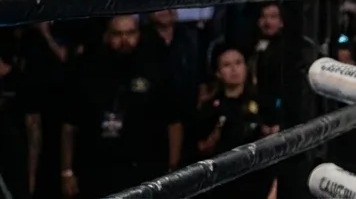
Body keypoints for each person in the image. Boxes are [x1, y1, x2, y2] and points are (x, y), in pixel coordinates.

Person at [62, 15, 182, 197]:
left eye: (130, 33)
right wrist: (67, 171)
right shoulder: (88, 70)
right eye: (117, 34)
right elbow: (70, 124)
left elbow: (173, 122)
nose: (125, 40)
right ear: (106, 36)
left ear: (139, 34)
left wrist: (172, 168)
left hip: (144, 167)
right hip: (98, 168)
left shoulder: (155, 68)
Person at [193, 46, 278, 199]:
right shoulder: (210, 108)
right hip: (221, 185)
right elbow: (198, 148)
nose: (234, 69)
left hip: (258, 183)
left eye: (238, 63)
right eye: (227, 65)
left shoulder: (263, 103)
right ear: (218, 73)